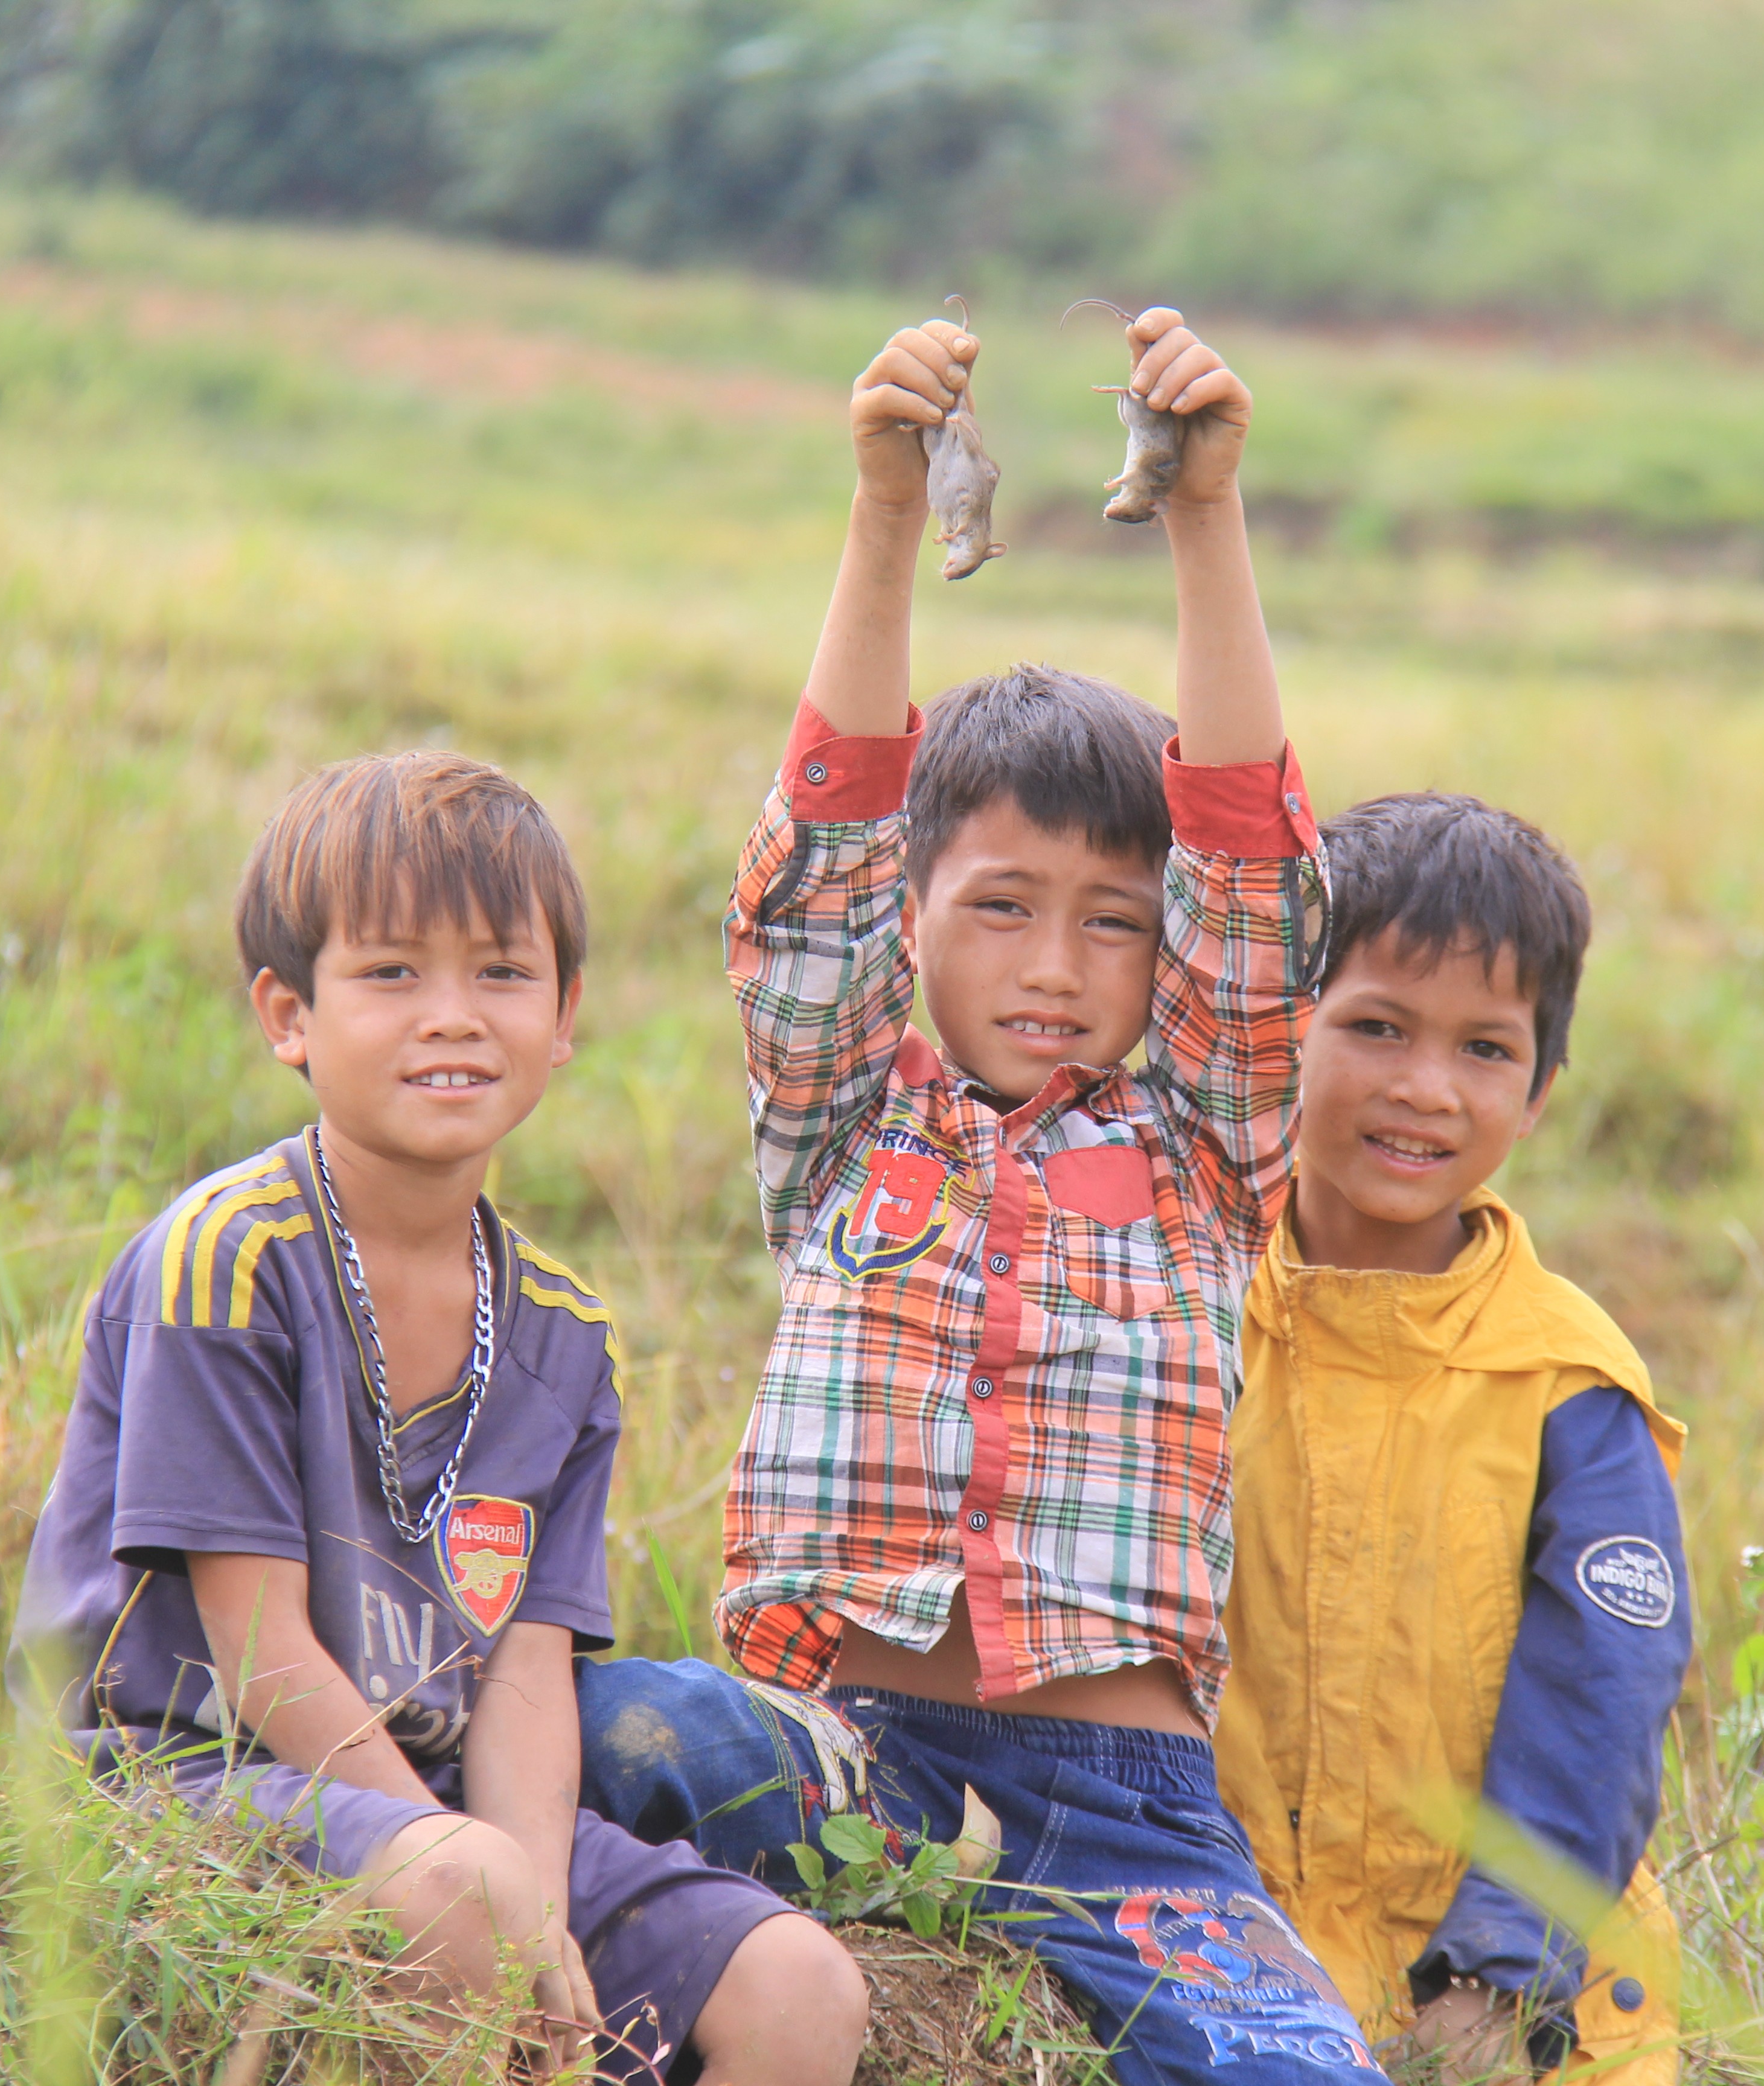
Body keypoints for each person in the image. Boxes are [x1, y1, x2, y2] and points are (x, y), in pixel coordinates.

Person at [578, 309, 1380, 2081]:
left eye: (1114, 920)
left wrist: (1206, 517)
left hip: (1123, 1817)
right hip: (839, 1748)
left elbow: (1251, 880)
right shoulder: (849, 1116)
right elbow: (819, 872)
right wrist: (882, 515)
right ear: (915, 921)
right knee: (605, 1727)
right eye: (1000, 906)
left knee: (1301, 2074)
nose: (1055, 964)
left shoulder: (1202, 1147)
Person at [13, 751, 867, 2086]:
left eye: (502, 974)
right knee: (468, 1893)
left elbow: (528, 1678)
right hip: (173, 1776)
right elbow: (256, 1650)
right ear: (289, 1015)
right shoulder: (225, 1263)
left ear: (567, 1013)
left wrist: (523, 1877)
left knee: (802, 1991)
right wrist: (486, 1885)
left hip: (442, 1808)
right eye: (393, 974)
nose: (454, 1017)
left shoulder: (567, 1339)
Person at [1213, 792, 1692, 2082]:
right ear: (1277, 1035)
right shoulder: (1185, 1307)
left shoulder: (1568, 1382)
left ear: (1538, 1092)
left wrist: (1496, 1981)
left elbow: (1599, 1708)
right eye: (1375, 1027)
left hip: (1533, 2004)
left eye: (1486, 1048)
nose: (1425, 1090)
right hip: (1227, 1958)